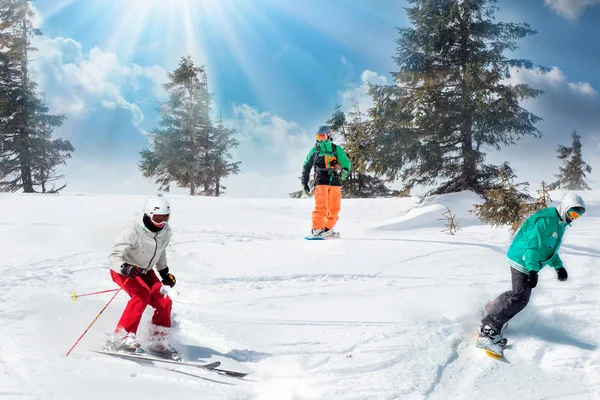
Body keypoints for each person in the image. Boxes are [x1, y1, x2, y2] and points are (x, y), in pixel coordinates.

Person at [479, 192, 586, 347]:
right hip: (523, 258)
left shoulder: (559, 223)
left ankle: (494, 308)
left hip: (525, 258)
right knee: (521, 298)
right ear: (565, 208)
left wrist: (558, 266)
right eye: (572, 213)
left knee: (517, 293)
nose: (572, 218)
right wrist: (532, 270)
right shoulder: (548, 220)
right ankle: (489, 326)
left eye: (577, 216)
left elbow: (548, 248)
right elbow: (533, 246)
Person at [107, 194, 179, 359]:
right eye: (158, 217)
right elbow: (114, 256)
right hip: (123, 270)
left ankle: (158, 342)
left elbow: (160, 252)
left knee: (164, 301)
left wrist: (164, 272)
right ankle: (122, 338)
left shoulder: (165, 231)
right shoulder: (132, 229)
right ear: (148, 213)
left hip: (145, 272)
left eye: (165, 217)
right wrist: (125, 268)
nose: (161, 222)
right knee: (141, 295)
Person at [301, 125, 351, 238]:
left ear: (328, 135)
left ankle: (327, 230)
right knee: (321, 207)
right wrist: (304, 182)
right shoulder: (315, 150)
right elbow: (306, 166)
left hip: (335, 181)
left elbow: (345, 162)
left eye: (322, 136)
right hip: (321, 181)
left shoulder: (335, 149)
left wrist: (345, 170)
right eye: (318, 136)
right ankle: (317, 229)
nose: (320, 139)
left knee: (335, 208)